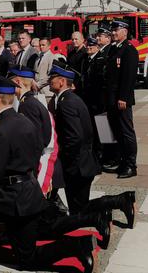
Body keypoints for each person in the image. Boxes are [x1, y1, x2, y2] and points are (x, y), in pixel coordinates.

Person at [0, 73, 107, 273]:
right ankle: (78, 246)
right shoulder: (23, 121)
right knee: (27, 259)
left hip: (11, 198)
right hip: (29, 194)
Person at [49, 63, 99, 215]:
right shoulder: (68, 99)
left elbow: (74, 137)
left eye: (53, 78)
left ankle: (120, 202)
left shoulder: (67, 103)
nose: (50, 80)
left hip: (78, 166)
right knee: (81, 206)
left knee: (78, 209)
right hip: (81, 162)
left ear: (62, 82)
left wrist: (68, 162)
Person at [8, 66, 59, 196]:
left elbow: (35, 140)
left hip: (39, 163)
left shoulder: (27, 105)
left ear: (18, 82)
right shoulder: (31, 101)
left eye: (10, 81)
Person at [103, 20, 139, 178]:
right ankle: (123, 161)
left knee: (126, 132)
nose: (113, 33)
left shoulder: (129, 50)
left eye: (116, 30)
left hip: (122, 99)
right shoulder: (114, 49)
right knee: (117, 132)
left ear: (125, 31)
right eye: (113, 30)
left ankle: (131, 165)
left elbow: (128, 77)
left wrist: (123, 97)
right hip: (112, 98)